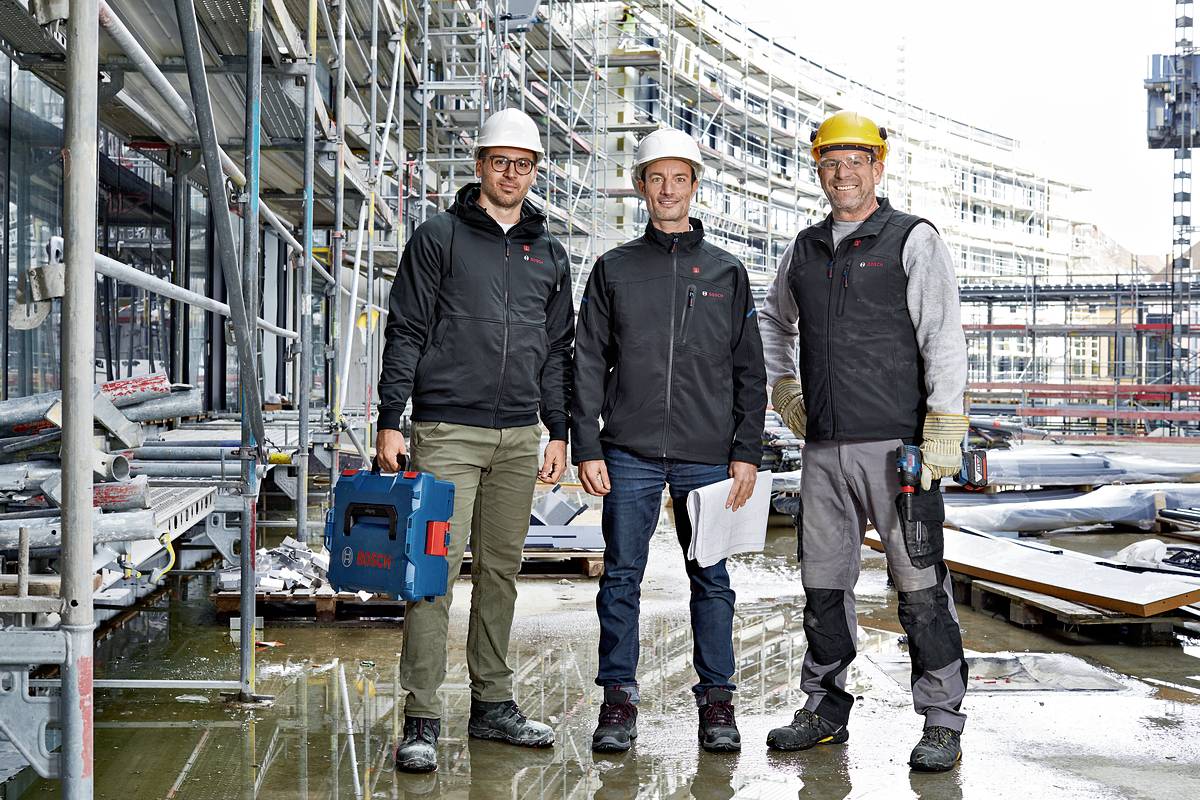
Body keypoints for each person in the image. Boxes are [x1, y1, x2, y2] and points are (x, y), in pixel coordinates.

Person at [758, 110, 970, 772]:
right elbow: (771, 317)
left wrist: (943, 422)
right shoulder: (805, 247)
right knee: (823, 584)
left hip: (901, 449)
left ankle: (941, 718)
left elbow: (943, 331)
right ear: (817, 170)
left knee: (919, 582)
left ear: (878, 168)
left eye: (856, 161)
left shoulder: (912, 239)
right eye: (830, 162)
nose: (843, 173)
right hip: (824, 450)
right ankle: (824, 709)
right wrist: (782, 389)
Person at [375, 107, 574, 772]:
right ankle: (422, 717)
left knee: (500, 574)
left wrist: (559, 433)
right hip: (447, 431)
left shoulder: (550, 253)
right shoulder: (439, 238)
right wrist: (388, 418)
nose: (511, 174)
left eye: (523, 164)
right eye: (500, 161)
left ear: (534, 171)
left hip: (520, 436)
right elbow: (404, 328)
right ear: (480, 164)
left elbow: (557, 351)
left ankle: (492, 706)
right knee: (432, 574)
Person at [571, 128, 767, 754]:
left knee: (711, 578)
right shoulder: (615, 269)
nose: (666, 189)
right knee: (622, 577)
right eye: (655, 178)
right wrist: (587, 445)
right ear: (641, 187)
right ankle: (618, 702)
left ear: (694, 185)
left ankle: (717, 704)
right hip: (626, 451)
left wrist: (746, 451)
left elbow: (749, 370)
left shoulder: (727, 273)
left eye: (678, 178)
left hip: (706, 453)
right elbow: (587, 362)